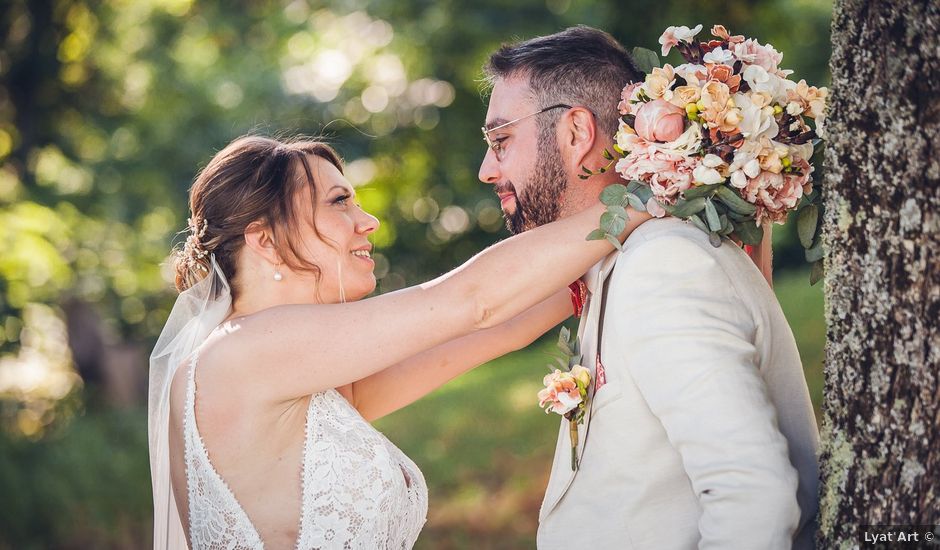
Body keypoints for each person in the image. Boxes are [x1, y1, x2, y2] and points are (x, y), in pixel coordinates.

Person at [148, 135, 650, 549]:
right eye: (340, 202)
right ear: (264, 240)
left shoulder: (293, 377)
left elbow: (499, 327)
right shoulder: (246, 350)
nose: (369, 222)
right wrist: (651, 195)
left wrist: (634, 244)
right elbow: (473, 301)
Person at [478, 26, 820, 549]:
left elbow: (754, 498)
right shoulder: (619, 263)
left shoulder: (664, 265)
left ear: (575, 133)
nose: (486, 170)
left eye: (500, 141)